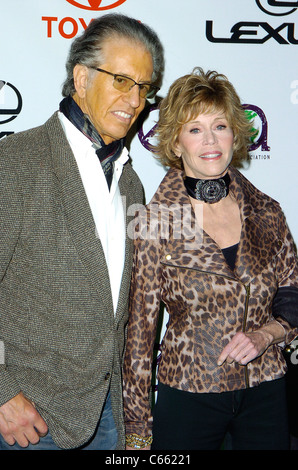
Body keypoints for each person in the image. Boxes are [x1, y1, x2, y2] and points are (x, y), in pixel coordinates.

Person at [0, 14, 164, 450]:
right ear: (81, 77)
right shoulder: (14, 161)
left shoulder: (131, 182)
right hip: (30, 417)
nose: (135, 100)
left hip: (108, 414)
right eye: (122, 81)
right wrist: (1, 395)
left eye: (144, 88)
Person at [123, 68, 298, 450]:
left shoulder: (268, 211)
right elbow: (139, 333)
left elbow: (292, 292)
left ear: (235, 133)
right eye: (195, 129)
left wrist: (268, 334)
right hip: (189, 391)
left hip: (266, 389)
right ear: (176, 142)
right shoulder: (154, 220)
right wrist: (137, 426)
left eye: (219, 126)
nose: (210, 141)